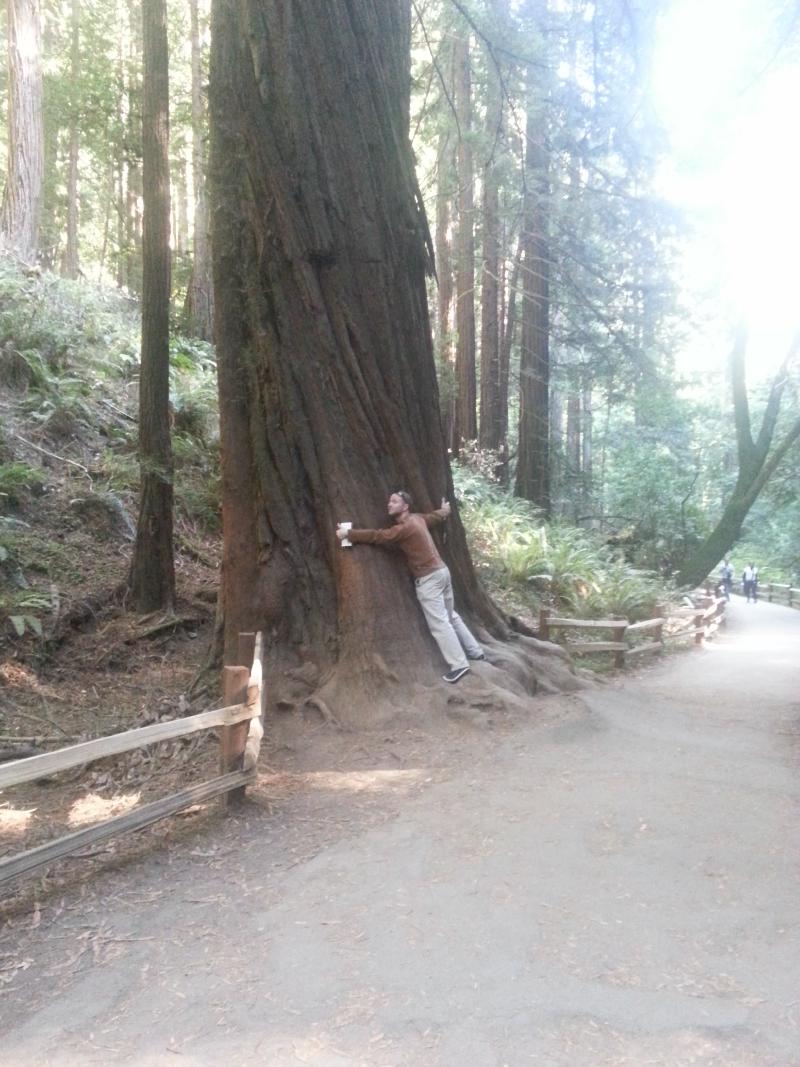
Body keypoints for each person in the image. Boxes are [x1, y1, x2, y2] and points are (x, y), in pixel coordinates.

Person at [336, 491, 484, 683]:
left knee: (440, 623)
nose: (389, 504)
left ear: (405, 506)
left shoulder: (405, 528)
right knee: (450, 616)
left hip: (429, 578)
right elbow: (434, 517)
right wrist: (445, 511)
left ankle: (459, 665)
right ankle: (476, 651)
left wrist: (349, 534)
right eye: (389, 500)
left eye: (395, 501)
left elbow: (378, 536)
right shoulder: (418, 519)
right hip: (442, 572)